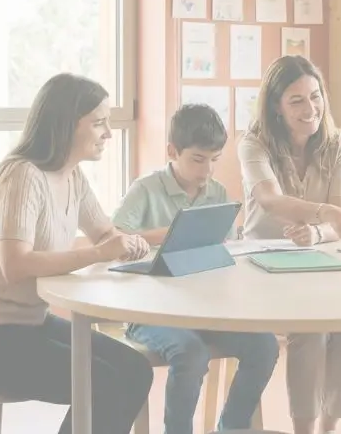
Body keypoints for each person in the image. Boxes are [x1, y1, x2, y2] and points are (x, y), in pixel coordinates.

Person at [0, 73, 155, 434]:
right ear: (66, 125)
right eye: (99, 123)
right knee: (106, 382)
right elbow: (16, 265)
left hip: (28, 324)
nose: (108, 133)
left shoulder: (73, 177)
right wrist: (100, 252)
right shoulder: (23, 175)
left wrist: (126, 242)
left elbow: (103, 230)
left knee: (136, 370)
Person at [112, 104, 280, 434]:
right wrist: (173, 232)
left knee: (265, 345)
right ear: (172, 151)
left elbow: (228, 249)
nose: (207, 170)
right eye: (198, 159)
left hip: (206, 309)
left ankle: (231, 428)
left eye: (215, 160)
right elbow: (115, 238)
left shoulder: (216, 193)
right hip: (149, 313)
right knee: (190, 354)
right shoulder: (145, 189)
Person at [238, 55, 341, 434]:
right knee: (311, 328)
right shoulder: (254, 143)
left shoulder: (339, 144)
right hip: (262, 265)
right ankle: (304, 429)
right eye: (296, 100)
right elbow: (269, 200)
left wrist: (317, 232)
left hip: (320, 262)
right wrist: (326, 214)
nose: (310, 108)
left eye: (315, 96)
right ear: (276, 107)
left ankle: (330, 427)